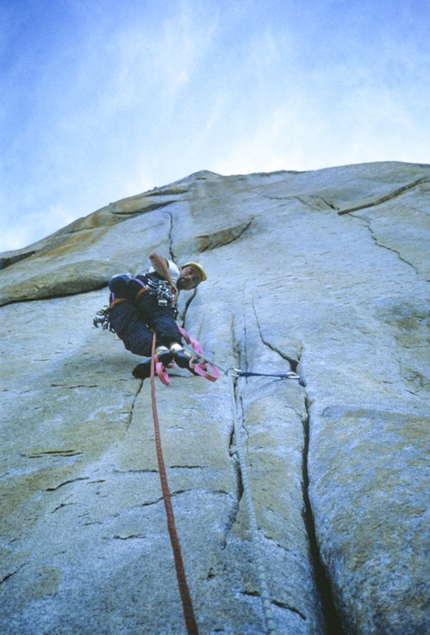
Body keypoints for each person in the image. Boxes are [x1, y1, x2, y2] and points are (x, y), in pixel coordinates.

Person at [107, 252, 207, 379]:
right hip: (148, 290)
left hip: (121, 300)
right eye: (190, 272)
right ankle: (177, 349)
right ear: (181, 268)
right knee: (161, 316)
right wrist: (171, 282)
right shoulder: (173, 269)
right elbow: (154, 256)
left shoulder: (173, 289)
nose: (189, 278)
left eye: (194, 280)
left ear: (191, 288)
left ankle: (160, 351)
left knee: (132, 329)